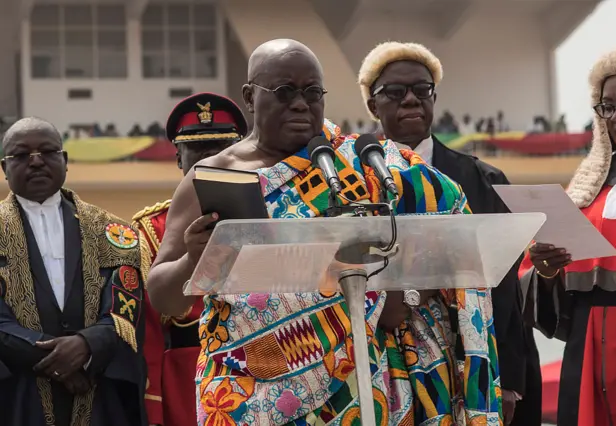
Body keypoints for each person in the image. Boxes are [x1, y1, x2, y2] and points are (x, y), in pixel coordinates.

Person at [146, 38, 499, 425]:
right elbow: (164, 297)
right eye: (284, 92)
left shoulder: (362, 163)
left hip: (356, 386)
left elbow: (454, 230)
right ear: (249, 96)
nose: (301, 103)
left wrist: (403, 294)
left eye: (312, 92)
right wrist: (194, 259)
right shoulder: (214, 175)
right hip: (247, 391)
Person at [358, 41, 540, 425]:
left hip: (468, 362)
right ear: (373, 105)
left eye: (421, 90)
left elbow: (504, 285)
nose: (410, 100)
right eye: (394, 92)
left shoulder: (481, 180)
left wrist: (505, 378)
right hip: (380, 360)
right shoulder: (351, 182)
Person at [520, 44, 616, 426]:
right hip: (586, 345)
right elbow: (541, 287)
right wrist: (546, 269)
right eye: (606, 107)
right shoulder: (589, 189)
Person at [0, 117, 148, 425]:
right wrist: (59, 361)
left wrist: (87, 346)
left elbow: (124, 312)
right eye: (22, 155)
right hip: (17, 393)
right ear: (4, 167)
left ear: (65, 161)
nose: (36, 161)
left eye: (48, 151)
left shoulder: (113, 231)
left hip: (98, 392)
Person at [133, 92, 248, 426]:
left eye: (222, 151)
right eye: (197, 153)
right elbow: (149, 334)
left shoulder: (271, 215)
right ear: (179, 159)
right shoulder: (151, 231)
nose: (210, 162)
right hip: (187, 382)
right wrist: (152, 409)